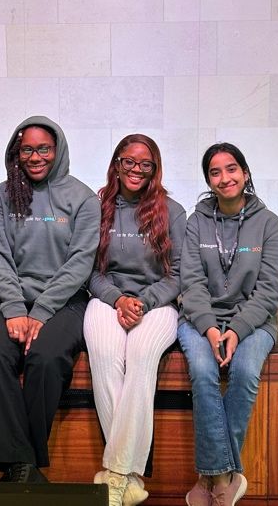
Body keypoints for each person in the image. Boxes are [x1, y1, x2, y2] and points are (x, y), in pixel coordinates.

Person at [0, 115, 101, 482]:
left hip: (66, 302)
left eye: (43, 148)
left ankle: (20, 464)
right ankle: (23, 466)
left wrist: (42, 311)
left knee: (45, 357)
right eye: (27, 149)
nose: (35, 157)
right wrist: (15, 309)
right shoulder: (1, 195)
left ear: (57, 149)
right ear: (17, 151)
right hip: (12, 299)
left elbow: (81, 262)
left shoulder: (82, 198)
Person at [178, 143, 278, 506]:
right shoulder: (196, 223)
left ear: (245, 172)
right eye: (214, 172)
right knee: (201, 369)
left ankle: (212, 476)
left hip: (254, 321)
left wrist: (237, 330)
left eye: (231, 169)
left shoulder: (270, 225)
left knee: (244, 371)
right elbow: (190, 283)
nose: (224, 178)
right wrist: (210, 328)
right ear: (208, 179)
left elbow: (270, 292)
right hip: (200, 318)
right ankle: (226, 476)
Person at [83, 134, 186, 506]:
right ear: (116, 164)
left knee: (141, 357)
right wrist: (118, 299)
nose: (136, 170)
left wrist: (141, 301)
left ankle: (115, 475)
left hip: (157, 304)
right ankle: (127, 477)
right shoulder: (97, 208)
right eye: (129, 161)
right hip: (107, 299)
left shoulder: (172, 211)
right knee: (106, 357)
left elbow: (178, 275)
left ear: (155, 169)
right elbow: (90, 272)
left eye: (145, 164)